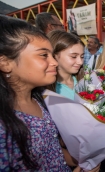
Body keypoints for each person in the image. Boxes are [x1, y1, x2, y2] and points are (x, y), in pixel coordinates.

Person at [0, 15, 70, 171]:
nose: (54, 63)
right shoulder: (4, 126)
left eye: (52, 55)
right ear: (5, 63)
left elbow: (53, 153)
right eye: (44, 55)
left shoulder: (41, 100)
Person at [47, 30, 84, 100]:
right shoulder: (46, 89)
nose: (80, 62)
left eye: (82, 57)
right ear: (55, 56)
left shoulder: (85, 82)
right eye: (73, 56)